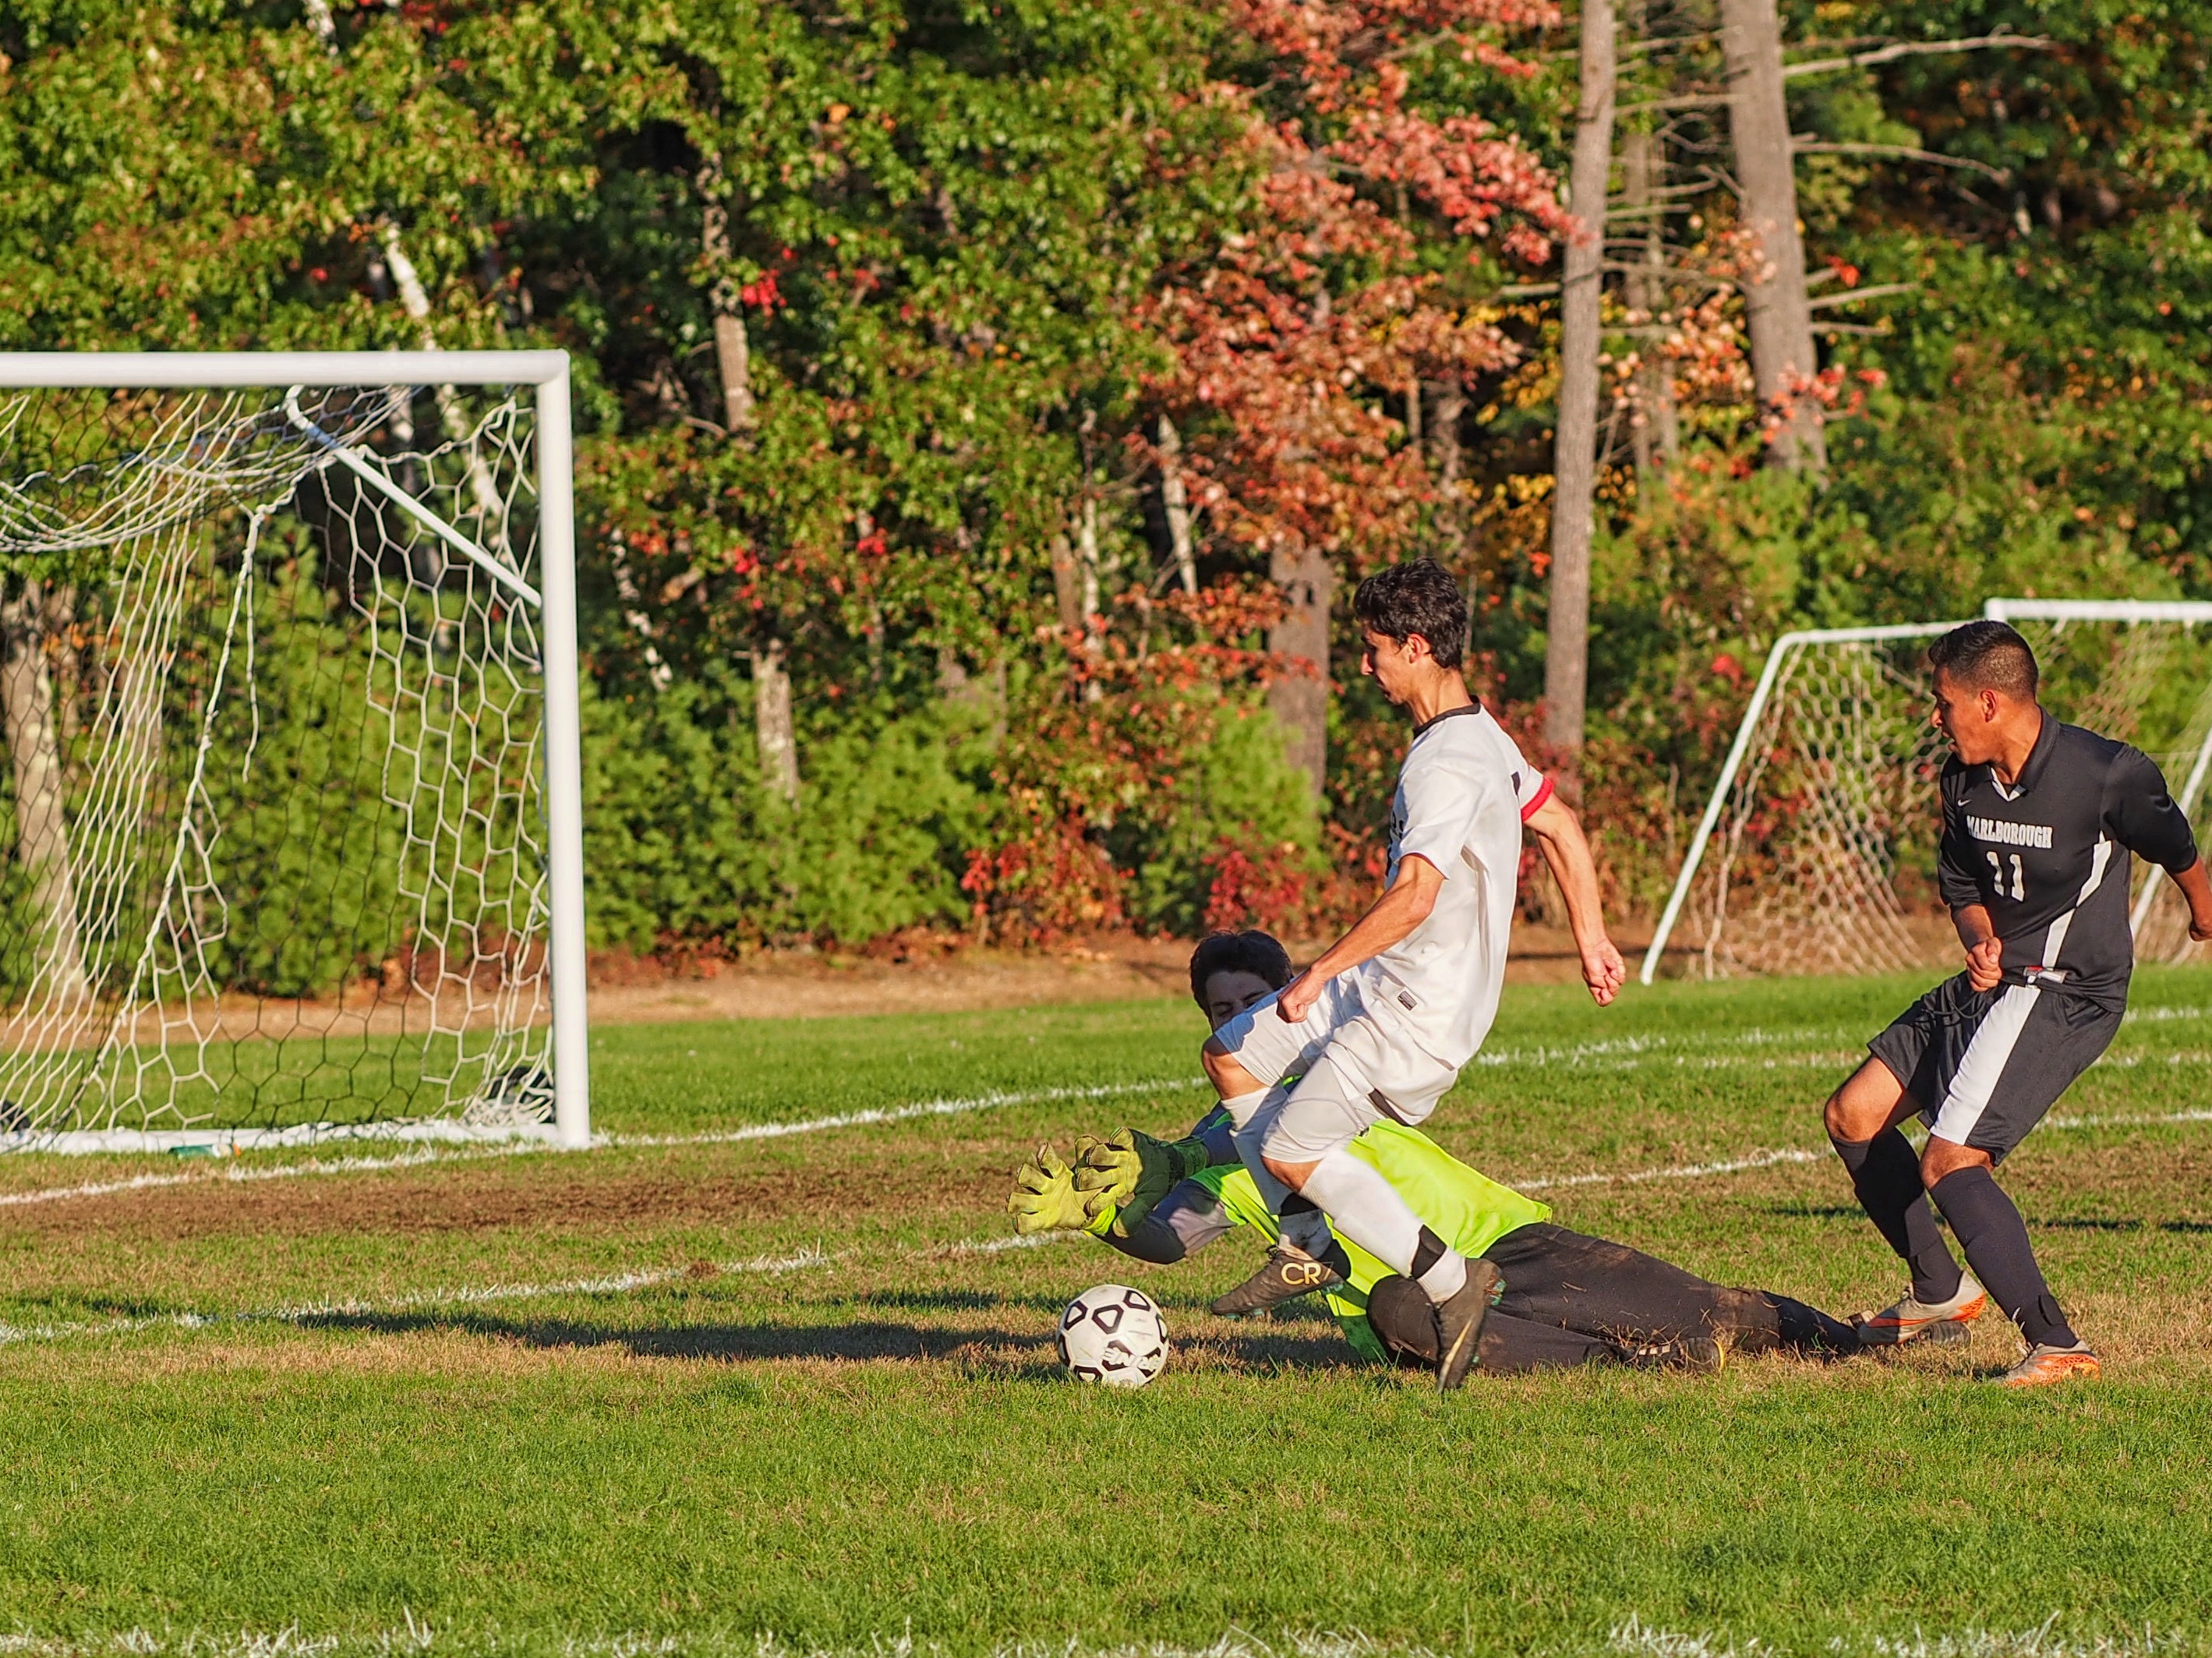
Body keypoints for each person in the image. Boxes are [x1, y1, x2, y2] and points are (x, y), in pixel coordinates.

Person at [1006, 930, 1858, 1373]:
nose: (1241, 1022)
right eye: (1222, 1012)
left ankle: (1859, 1340)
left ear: (1292, 998)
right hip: (1413, 1307)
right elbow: (1172, 1236)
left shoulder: (1351, 1055)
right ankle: (1629, 1362)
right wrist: (1104, 1218)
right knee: (1399, 1311)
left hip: (1509, 1242)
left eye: (1255, 1002)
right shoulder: (1225, 1140)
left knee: (1713, 1314)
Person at [1196, 559, 1627, 1389]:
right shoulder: (1479, 733)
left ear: (1417, 646)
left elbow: (1417, 894)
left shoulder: (1446, 763)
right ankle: (1306, 1245)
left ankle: (1451, 1281)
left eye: (1375, 649)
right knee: (1231, 1057)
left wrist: (1319, 971)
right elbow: (1561, 824)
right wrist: (1592, 938)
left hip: (1416, 1010)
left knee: (1290, 1151)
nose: (1365, 666)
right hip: (1381, 982)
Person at [1822, 619, 2212, 1388]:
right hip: (1994, 979)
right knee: (1853, 1115)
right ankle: (1939, 1291)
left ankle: (2057, 1344)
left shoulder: (2107, 773)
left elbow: (2180, 850)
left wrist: (2204, 911)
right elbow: (1962, 884)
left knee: (1951, 1160)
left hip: (2067, 987)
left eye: (1943, 702)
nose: (1936, 718)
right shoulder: (1961, 778)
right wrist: (1979, 938)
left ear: (1990, 702)